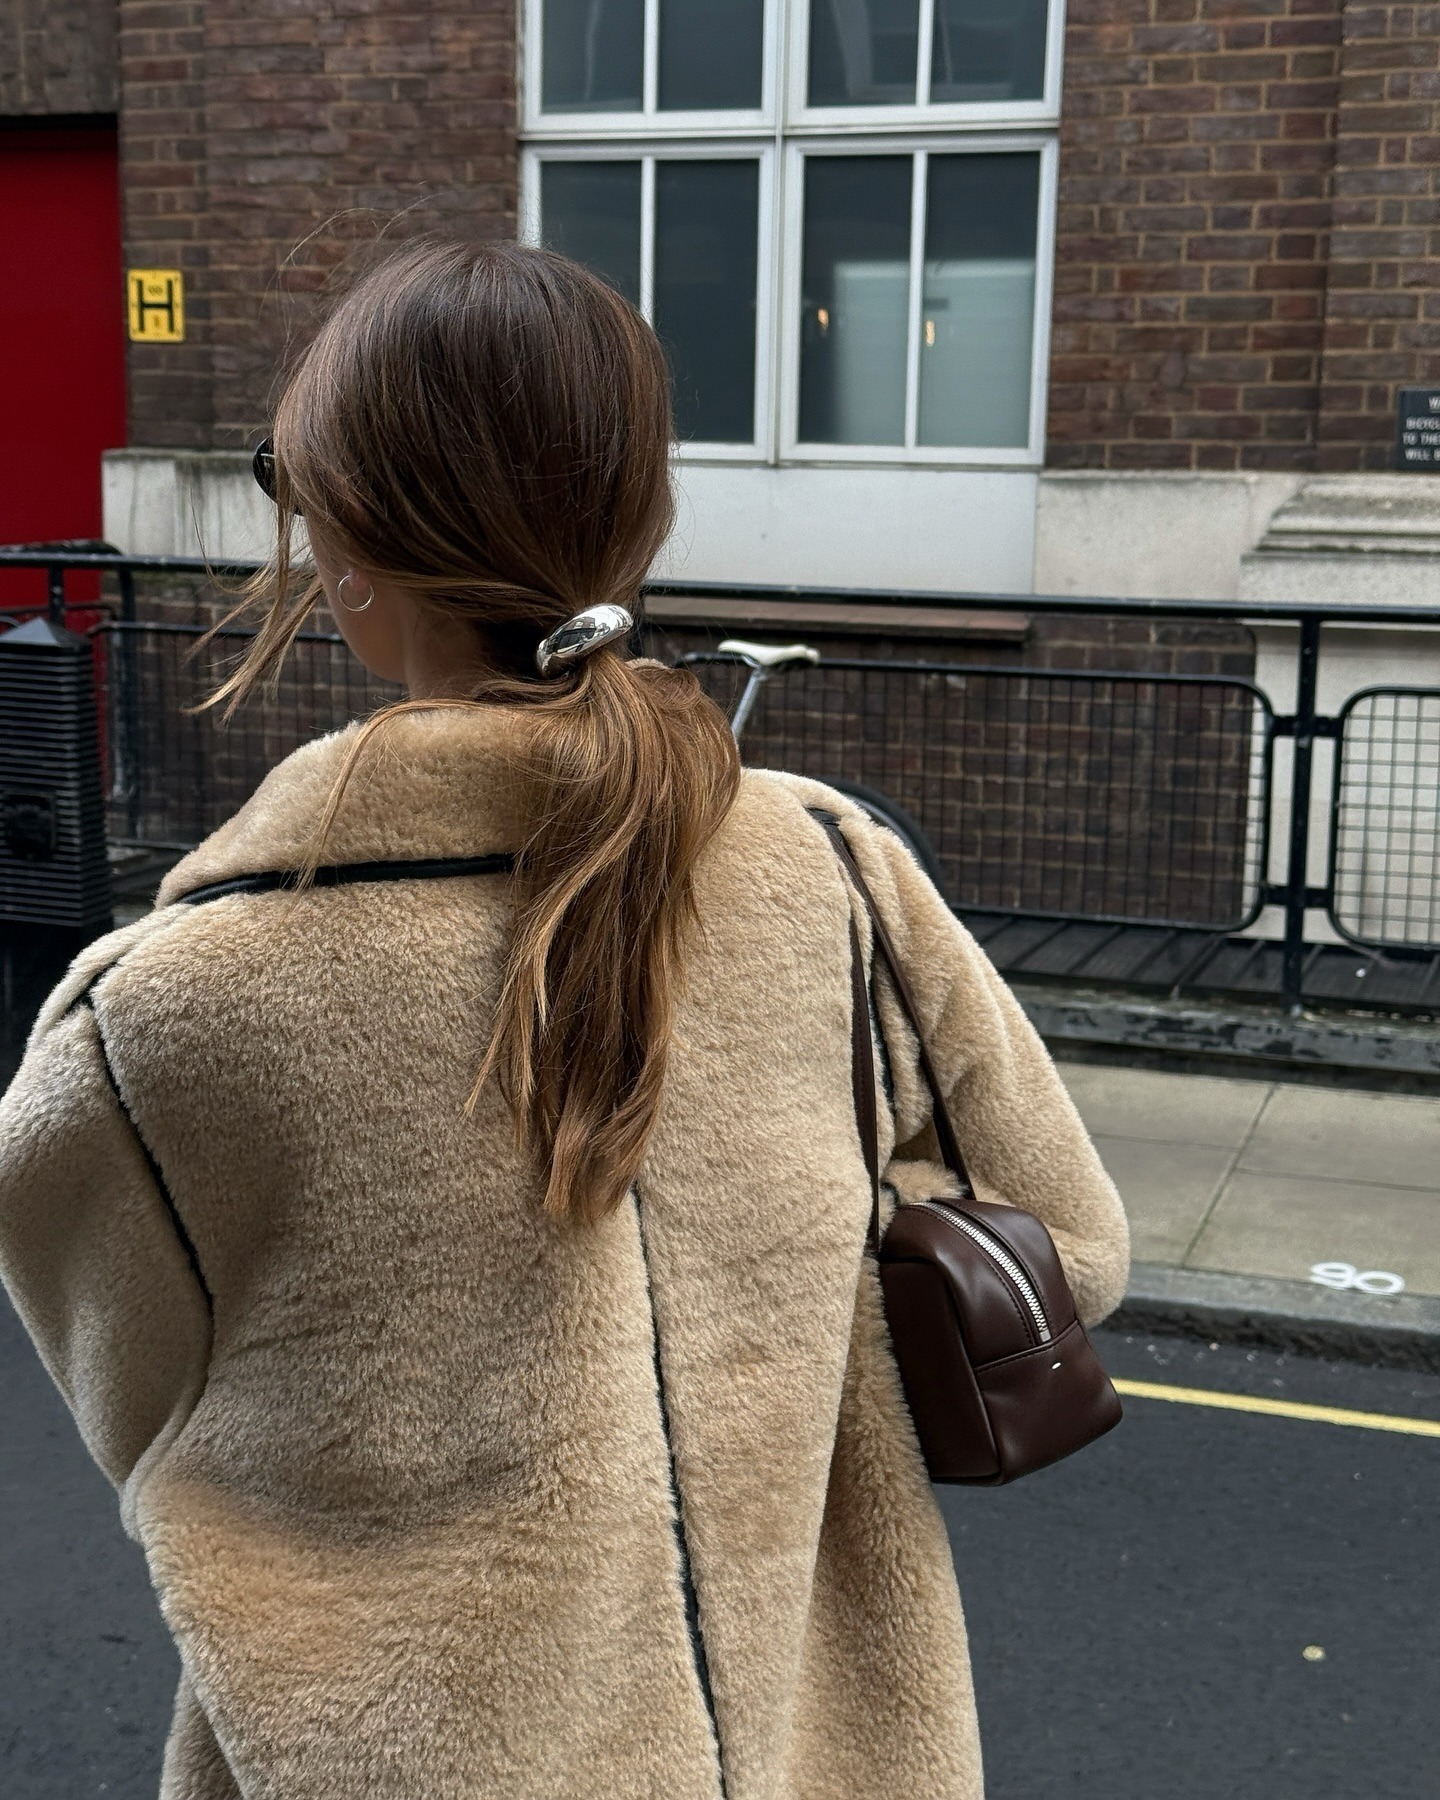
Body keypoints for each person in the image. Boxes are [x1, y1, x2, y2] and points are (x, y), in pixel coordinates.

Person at [0, 237, 1128, 1799]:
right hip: (823, 1755)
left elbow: (142, 1404)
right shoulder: (834, 876)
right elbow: (1073, 1245)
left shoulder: (161, 1013)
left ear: (346, 547)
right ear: (643, 521)